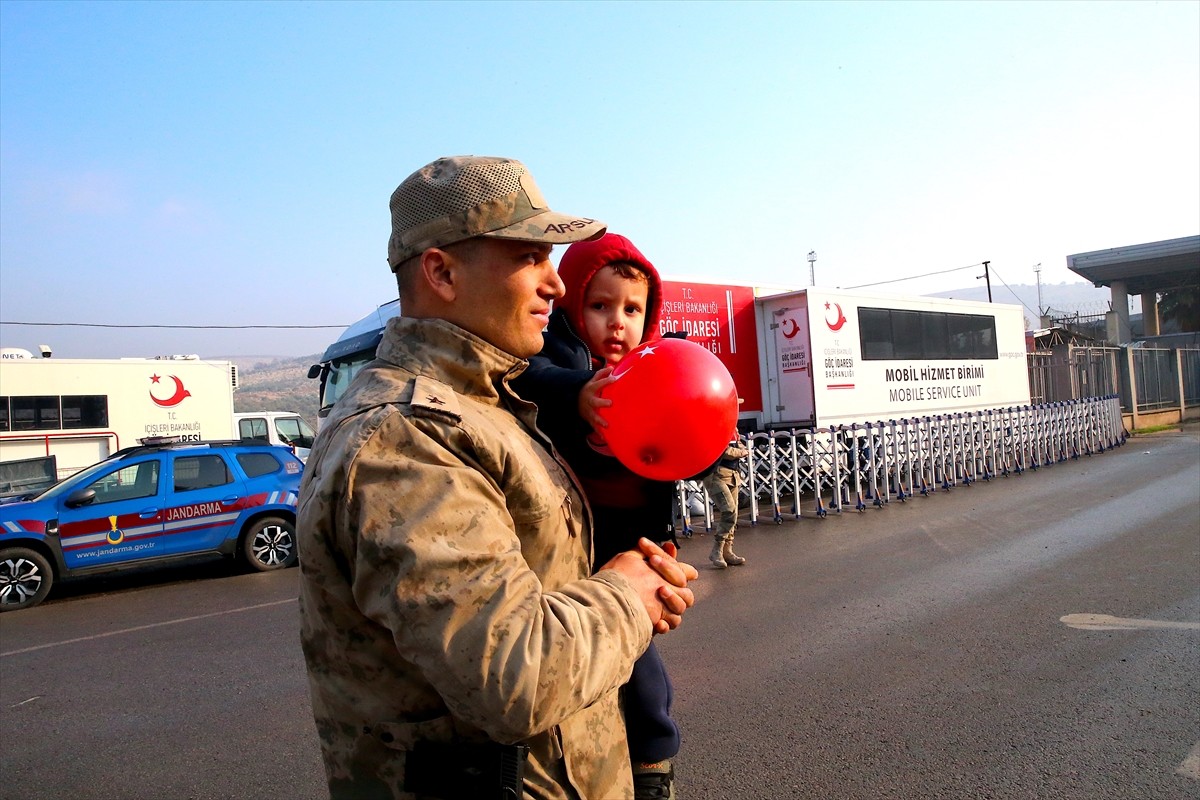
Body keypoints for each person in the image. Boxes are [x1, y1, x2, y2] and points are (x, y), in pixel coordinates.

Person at [297, 155, 698, 800]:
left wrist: (629, 590)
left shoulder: (488, 410)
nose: (556, 285)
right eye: (529, 255)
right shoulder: (405, 441)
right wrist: (625, 594)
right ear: (442, 271)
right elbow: (516, 678)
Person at [512, 233, 683, 799]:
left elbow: (667, 464)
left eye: (632, 310)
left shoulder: (651, 368)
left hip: (627, 538)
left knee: (640, 660)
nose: (617, 323)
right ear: (570, 307)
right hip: (565, 544)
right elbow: (528, 376)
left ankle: (655, 765)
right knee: (579, 661)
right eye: (600, 306)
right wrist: (581, 389)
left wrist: (662, 548)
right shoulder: (557, 360)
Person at [703, 430, 750, 568]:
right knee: (729, 511)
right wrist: (742, 452)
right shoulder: (715, 426)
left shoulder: (732, 428)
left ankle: (727, 550)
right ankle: (717, 550)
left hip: (732, 476)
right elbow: (724, 451)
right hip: (715, 475)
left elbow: (739, 444)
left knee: (733, 515)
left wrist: (741, 450)